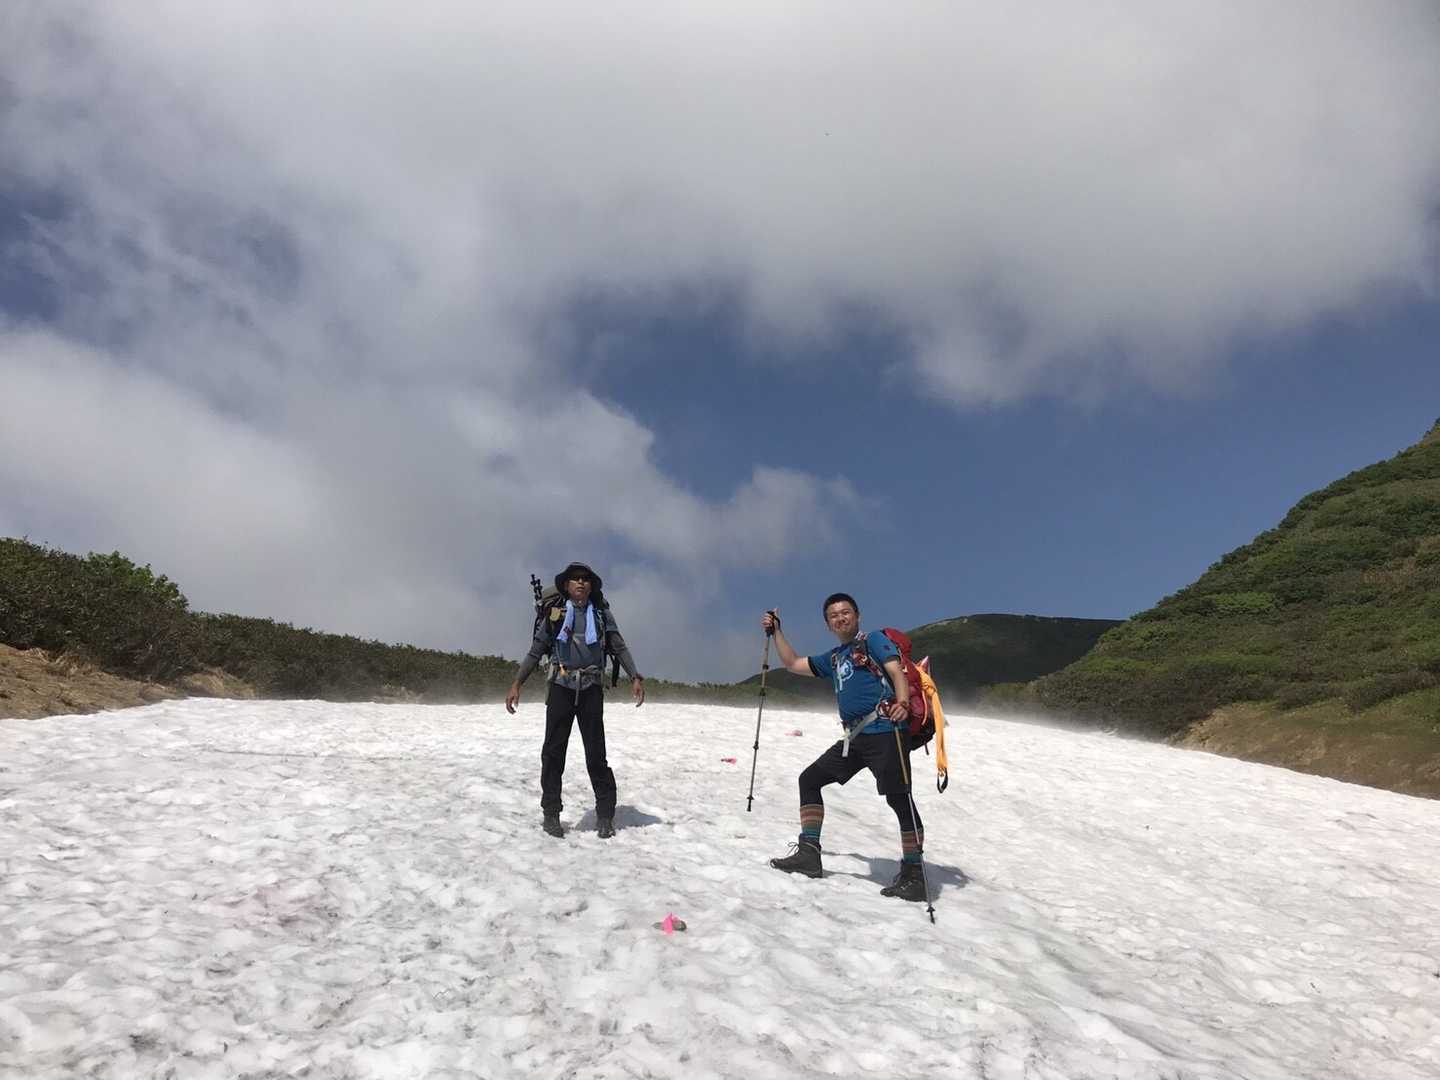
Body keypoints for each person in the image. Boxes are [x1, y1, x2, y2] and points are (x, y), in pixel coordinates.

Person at [762, 593, 927, 902]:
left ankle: (915, 874)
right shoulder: (835, 657)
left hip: (886, 730)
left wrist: (903, 703)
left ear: (857, 615)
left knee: (899, 799)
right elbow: (793, 663)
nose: (840, 618)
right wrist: (777, 632)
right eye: (834, 615)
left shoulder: (874, 641)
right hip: (856, 739)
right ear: (828, 624)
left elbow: (896, 672)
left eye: (845, 612)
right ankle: (809, 854)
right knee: (810, 779)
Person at [506, 561, 644, 839]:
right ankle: (551, 813)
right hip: (561, 687)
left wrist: (635, 676)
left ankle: (605, 815)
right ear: (566, 585)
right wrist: (517, 683)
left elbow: (618, 646)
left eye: (585, 579)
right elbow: (536, 651)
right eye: (575, 578)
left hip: (591, 688)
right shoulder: (555, 615)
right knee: (553, 753)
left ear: (591, 586)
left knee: (596, 755)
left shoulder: (601, 614)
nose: (580, 582)